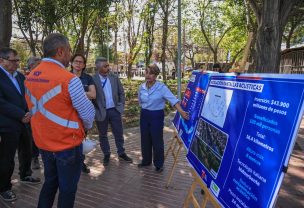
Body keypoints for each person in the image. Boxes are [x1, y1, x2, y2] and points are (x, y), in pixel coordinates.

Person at [24, 33, 95, 208]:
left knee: (50, 183)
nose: (71, 55)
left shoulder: (30, 76)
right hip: (67, 145)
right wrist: (85, 128)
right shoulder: (69, 79)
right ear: (61, 51)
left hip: (43, 143)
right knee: (67, 189)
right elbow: (87, 114)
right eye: (69, 51)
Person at [0, 48, 41, 202]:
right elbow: (1, 102)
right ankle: (4, 187)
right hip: (7, 124)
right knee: (7, 157)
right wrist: (20, 114)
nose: (17, 63)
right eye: (13, 60)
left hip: (25, 121)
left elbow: (26, 95)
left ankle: (25, 174)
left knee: (27, 149)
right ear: (1, 61)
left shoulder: (20, 76)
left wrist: (29, 112)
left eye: (17, 60)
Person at [137, 64, 189, 172]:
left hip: (156, 115)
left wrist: (181, 112)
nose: (148, 75)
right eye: (146, 72)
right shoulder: (141, 87)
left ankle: (159, 164)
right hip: (144, 115)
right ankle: (146, 161)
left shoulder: (161, 88)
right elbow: (140, 101)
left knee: (157, 140)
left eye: (151, 73)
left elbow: (173, 100)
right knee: (145, 139)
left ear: (156, 75)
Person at [92, 57, 133, 166]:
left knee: (118, 133)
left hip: (115, 110)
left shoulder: (114, 77)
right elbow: (91, 98)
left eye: (108, 65)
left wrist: (121, 106)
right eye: (105, 66)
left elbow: (121, 93)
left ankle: (121, 152)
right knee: (103, 135)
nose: (108, 68)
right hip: (101, 112)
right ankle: (106, 154)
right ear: (98, 67)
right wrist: (96, 111)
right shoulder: (93, 79)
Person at [70, 53, 96, 173]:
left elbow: (93, 94)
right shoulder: (66, 76)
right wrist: (83, 93)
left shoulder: (88, 78)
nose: (78, 64)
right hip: (69, 115)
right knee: (69, 139)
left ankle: (81, 163)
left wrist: (75, 93)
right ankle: (70, 163)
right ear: (71, 63)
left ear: (84, 65)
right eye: (76, 61)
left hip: (83, 115)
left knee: (82, 139)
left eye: (81, 62)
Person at [26, 56, 42, 170]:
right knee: (32, 136)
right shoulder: (25, 79)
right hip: (30, 113)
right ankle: (34, 158)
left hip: (44, 113)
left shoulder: (43, 78)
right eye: (39, 65)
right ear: (31, 66)